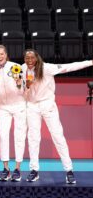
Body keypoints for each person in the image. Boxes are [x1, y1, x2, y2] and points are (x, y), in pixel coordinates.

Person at [22, 49, 93, 184]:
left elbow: (69, 67)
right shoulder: (21, 69)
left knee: (58, 136)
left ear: (37, 58)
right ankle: (34, 170)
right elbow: (22, 94)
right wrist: (27, 87)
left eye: (32, 58)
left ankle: (69, 170)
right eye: (27, 58)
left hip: (47, 105)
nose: (29, 60)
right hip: (31, 106)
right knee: (33, 138)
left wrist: (90, 62)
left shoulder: (47, 68)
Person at [0, 45, 26, 182]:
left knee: (19, 136)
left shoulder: (16, 67)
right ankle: (6, 168)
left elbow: (23, 90)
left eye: (1, 54)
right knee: (3, 136)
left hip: (19, 105)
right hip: (3, 107)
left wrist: (19, 83)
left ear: (6, 54)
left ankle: (17, 168)